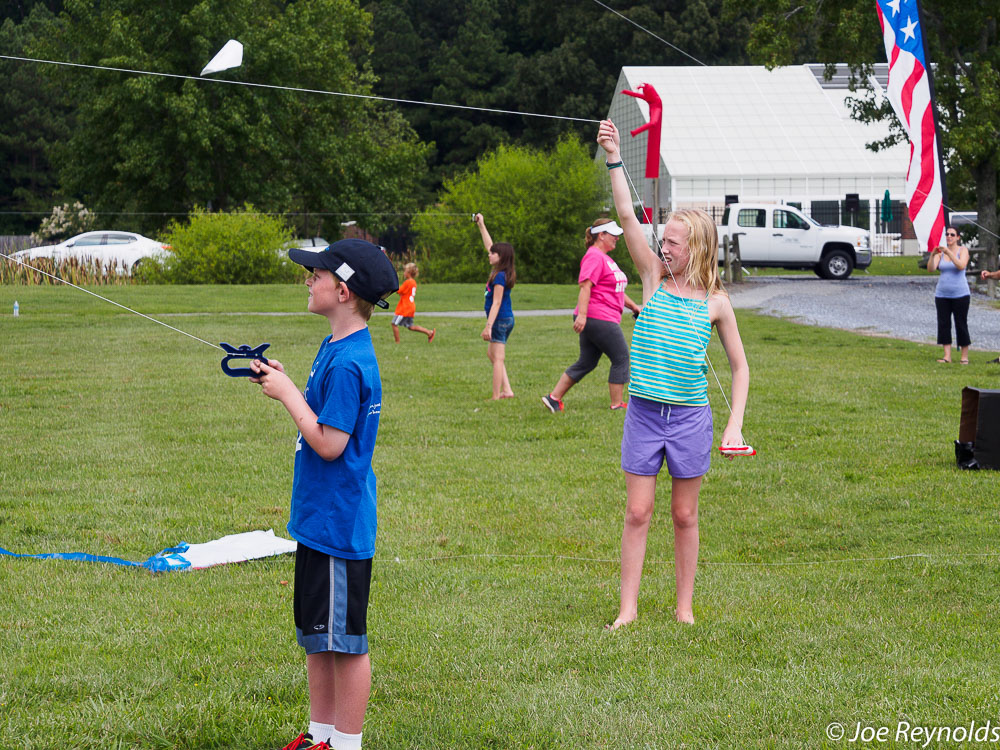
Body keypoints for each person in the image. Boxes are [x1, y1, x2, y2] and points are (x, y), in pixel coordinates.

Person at [598, 120, 749, 628]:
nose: (665, 248)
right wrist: (615, 157)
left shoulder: (717, 304)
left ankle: (684, 608)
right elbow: (625, 213)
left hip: (689, 419)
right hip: (644, 413)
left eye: (675, 243)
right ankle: (628, 609)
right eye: (663, 240)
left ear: (698, 248)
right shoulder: (653, 278)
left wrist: (734, 425)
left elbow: (741, 368)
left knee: (684, 515)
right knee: (638, 512)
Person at [249, 239, 400, 750]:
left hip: (339, 527)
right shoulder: (335, 348)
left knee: (346, 644)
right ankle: (320, 736)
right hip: (319, 521)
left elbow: (330, 444)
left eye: (314, 274)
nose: (307, 281)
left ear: (341, 290)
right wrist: (288, 382)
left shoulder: (350, 363)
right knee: (318, 638)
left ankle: (346, 744)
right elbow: (324, 415)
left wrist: (288, 396)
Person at [542, 219, 642, 412]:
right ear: (601, 235)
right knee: (621, 357)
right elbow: (585, 286)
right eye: (612, 234)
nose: (617, 238)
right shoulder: (594, 256)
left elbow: (615, 290)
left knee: (587, 362)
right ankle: (617, 404)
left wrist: (634, 307)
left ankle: (553, 398)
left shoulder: (604, 258)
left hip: (597, 317)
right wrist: (582, 316)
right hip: (599, 317)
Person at [474, 212, 516, 400]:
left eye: (493, 253)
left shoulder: (500, 276)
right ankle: (507, 390)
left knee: (498, 358)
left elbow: (497, 302)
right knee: (492, 354)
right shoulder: (500, 269)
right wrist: (481, 224)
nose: (489, 254)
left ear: (501, 257)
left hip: (500, 320)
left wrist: (489, 326)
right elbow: (489, 244)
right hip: (503, 319)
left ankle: (496, 395)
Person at [928, 228, 971, 364]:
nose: (949, 237)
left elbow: (961, 265)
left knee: (961, 323)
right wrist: (932, 255)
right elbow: (931, 268)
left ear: (958, 237)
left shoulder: (962, 250)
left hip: (960, 294)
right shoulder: (941, 253)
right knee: (944, 324)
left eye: (952, 235)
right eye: (947, 234)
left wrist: (950, 253)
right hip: (942, 294)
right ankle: (947, 356)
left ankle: (964, 357)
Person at [391, 262, 435, 343]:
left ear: (409, 273)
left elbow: (399, 291)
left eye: (405, 271)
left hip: (405, 308)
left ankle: (397, 342)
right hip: (410, 307)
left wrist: (392, 285)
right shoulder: (413, 282)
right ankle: (429, 333)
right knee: (410, 327)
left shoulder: (408, 282)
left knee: (394, 324)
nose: (404, 273)